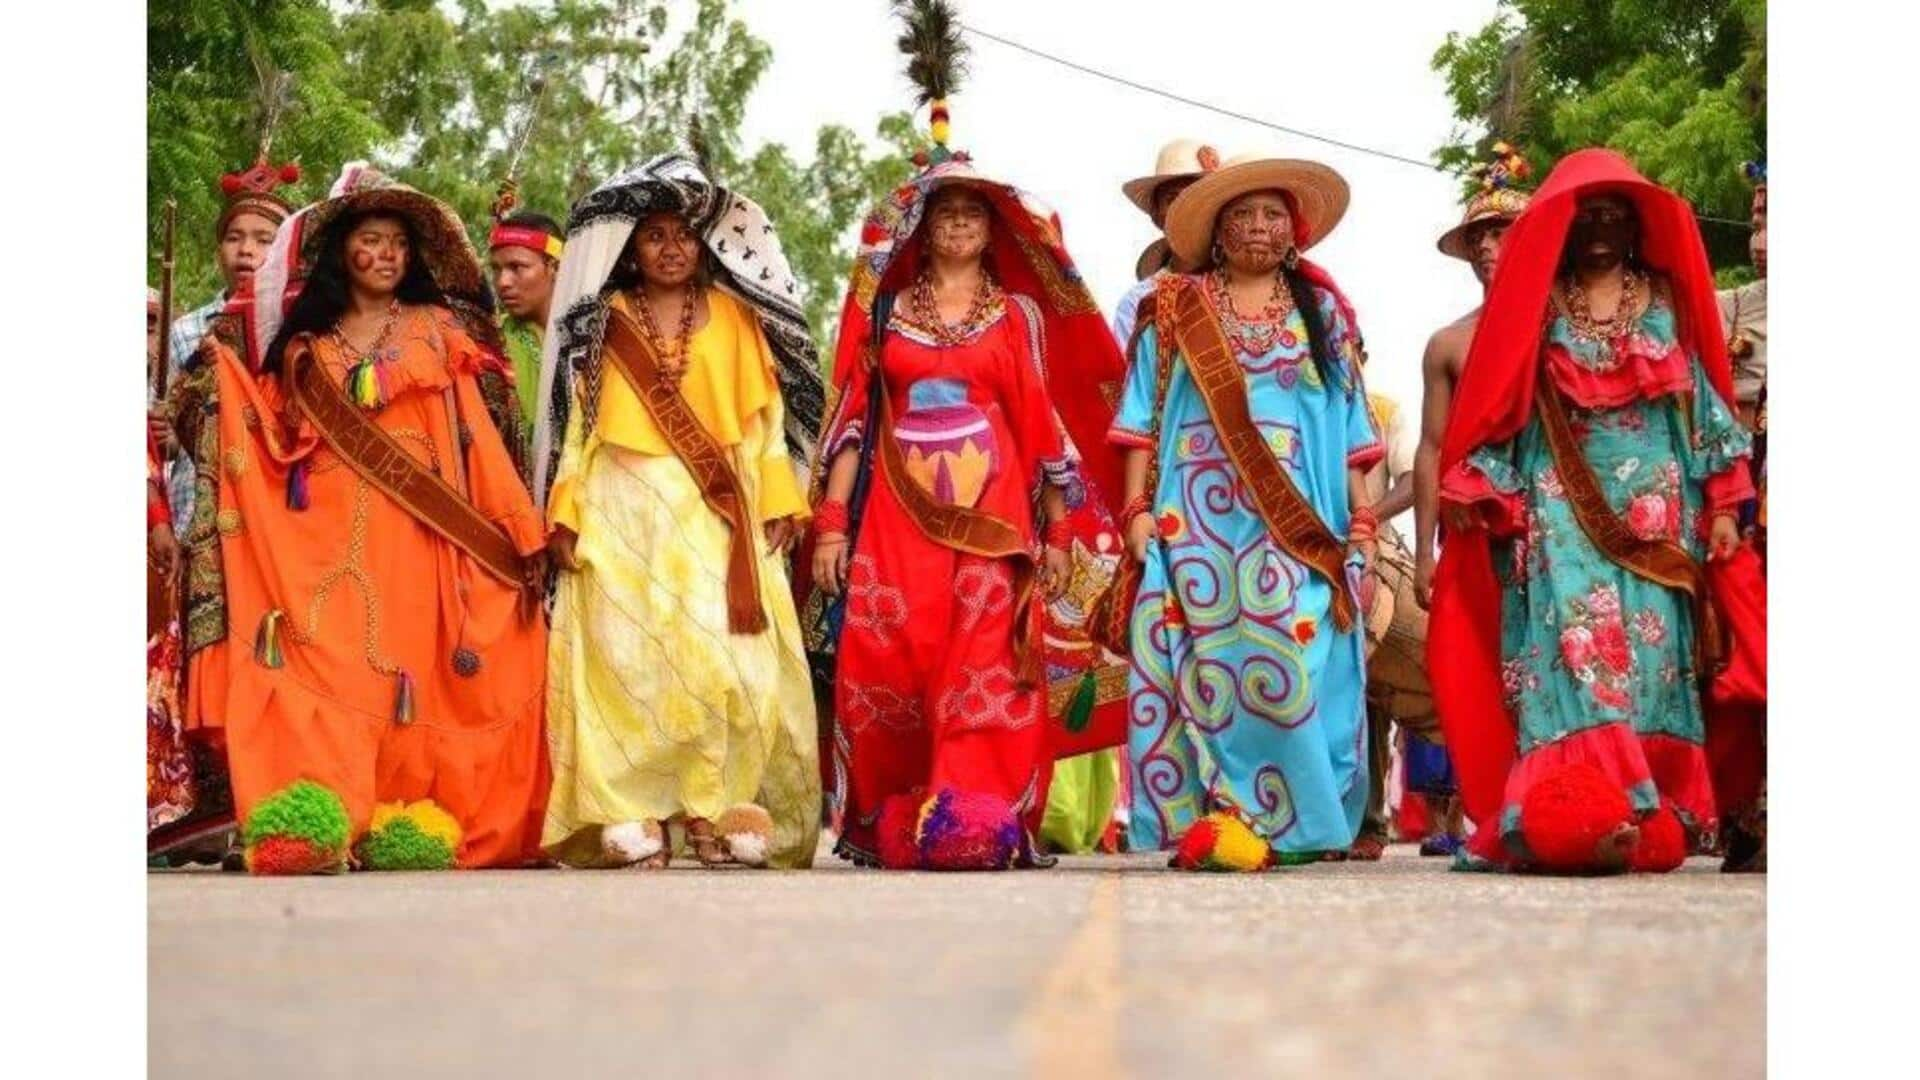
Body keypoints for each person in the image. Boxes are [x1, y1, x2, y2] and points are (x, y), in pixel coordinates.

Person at [170, 163, 550, 873]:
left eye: (398, 245)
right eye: (370, 240)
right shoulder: (307, 343)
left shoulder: (439, 329)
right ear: (342, 251)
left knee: (417, 672)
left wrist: (518, 528)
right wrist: (224, 378)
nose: (385, 256)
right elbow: (279, 436)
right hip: (323, 536)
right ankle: (328, 810)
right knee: (339, 667)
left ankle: (409, 816)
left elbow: (477, 436)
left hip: (422, 532)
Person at [1428, 149, 1765, 874]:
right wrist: (1478, 481)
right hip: (1558, 505)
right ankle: (1568, 809)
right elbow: (1502, 408)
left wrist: (1726, 504)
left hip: (1658, 510)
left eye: (1617, 214)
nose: (1603, 227)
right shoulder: (1536, 305)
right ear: (1565, 228)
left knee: (1653, 658)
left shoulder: (1670, 300)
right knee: (1576, 652)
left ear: (1637, 225)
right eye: (1589, 215)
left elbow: (1701, 409)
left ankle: (1647, 811)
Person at [807, 136, 1127, 869]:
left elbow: (1038, 419)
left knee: (985, 665)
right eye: (945, 211)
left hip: (995, 523)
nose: (957, 224)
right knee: (891, 656)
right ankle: (899, 810)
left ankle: (972, 814)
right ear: (923, 228)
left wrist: (1053, 531)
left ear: (992, 231)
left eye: (972, 214)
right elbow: (854, 420)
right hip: (895, 520)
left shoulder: (1015, 316)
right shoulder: (885, 311)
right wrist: (831, 524)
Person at [530, 153, 823, 870]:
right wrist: (564, 509)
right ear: (630, 247)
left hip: (714, 506)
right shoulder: (602, 321)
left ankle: (715, 811)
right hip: (620, 504)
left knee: (729, 662)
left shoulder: (733, 317)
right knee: (627, 661)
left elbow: (761, 424)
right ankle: (637, 812)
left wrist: (781, 496)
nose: (670, 248)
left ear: (704, 244)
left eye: (682, 234)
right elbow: (576, 426)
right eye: (654, 235)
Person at [1111, 152, 1381, 871]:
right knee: (1201, 656)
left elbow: (1351, 420)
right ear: (1217, 234)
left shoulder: (1322, 311)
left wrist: (1362, 520)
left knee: (1289, 653)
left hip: (1297, 512)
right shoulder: (1173, 307)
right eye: (1243, 217)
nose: (1258, 228)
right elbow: (1140, 415)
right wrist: (1137, 508)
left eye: (1271, 216)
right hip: (1194, 513)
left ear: (1293, 232)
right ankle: (1223, 813)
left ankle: (1300, 819)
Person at [1413, 144, 1531, 610]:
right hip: (1475, 521)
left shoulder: (1566, 326)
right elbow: (1430, 448)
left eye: (1499, 233)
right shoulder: (1448, 343)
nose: (1485, 245)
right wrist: (1424, 554)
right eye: (1477, 236)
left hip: (1562, 515)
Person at [1710, 160, 1767, 873]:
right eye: (1756, 219)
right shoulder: (1728, 306)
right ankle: (1745, 813)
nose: (1760, 235)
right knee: (1742, 651)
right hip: (1749, 493)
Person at [488, 209, 564, 437]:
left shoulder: (596, 333)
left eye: (516, 267)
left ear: (554, 267)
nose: (503, 282)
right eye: (496, 269)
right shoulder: (491, 341)